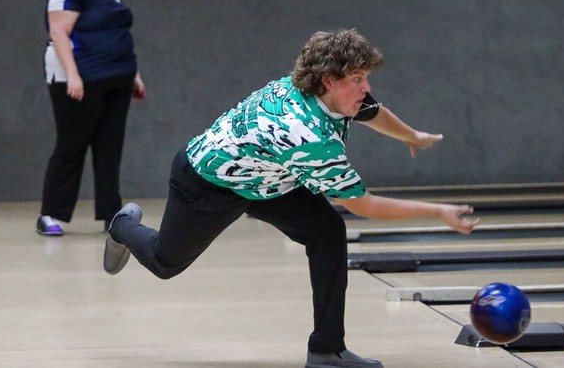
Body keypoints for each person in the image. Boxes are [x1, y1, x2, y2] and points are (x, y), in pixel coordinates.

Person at [102, 29, 477, 368]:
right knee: (165, 263)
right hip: (208, 181)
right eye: (358, 79)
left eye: (366, 78)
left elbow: (372, 111)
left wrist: (410, 135)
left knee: (327, 230)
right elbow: (365, 204)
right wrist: (439, 212)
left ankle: (327, 350)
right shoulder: (308, 136)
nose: (365, 87)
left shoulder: (329, 91)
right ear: (329, 81)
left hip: (268, 178)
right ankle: (123, 226)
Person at [37, 0, 146, 236]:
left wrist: (133, 75)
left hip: (116, 78)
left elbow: (118, 36)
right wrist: (73, 75)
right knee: (71, 146)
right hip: (78, 80)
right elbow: (59, 34)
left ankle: (111, 214)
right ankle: (51, 214)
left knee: (110, 147)